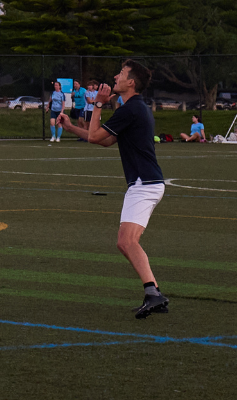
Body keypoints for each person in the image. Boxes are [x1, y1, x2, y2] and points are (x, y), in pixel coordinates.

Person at [55, 59, 170, 319]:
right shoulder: (133, 108)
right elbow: (106, 141)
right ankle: (153, 292)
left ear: (131, 82)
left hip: (144, 183)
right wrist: (71, 127)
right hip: (148, 183)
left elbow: (96, 135)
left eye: (121, 74)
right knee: (126, 242)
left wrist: (97, 104)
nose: (115, 77)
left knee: (126, 241)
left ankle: (153, 293)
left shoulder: (130, 109)